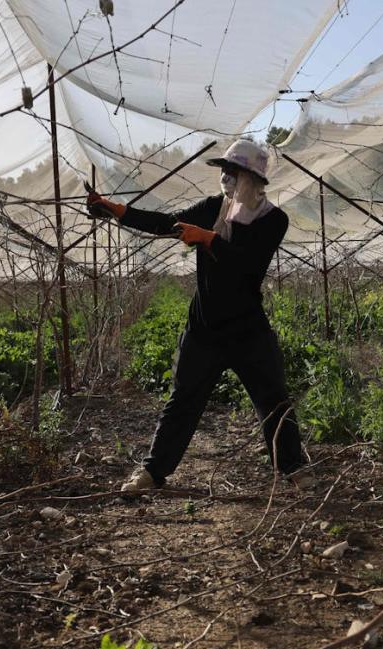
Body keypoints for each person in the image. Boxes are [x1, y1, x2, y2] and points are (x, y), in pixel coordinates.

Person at [85, 139, 315, 492]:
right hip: (205, 328)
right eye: (224, 171)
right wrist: (116, 210)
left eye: (232, 172)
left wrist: (209, 240)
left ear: (252, 179)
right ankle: (152, 473)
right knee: (183, 401)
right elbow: (166, 223)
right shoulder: (212, 208)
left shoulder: (274, 221)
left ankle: (294, 469)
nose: (225, 177)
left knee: (273, 399)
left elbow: (248, 265)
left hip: (248, 330)